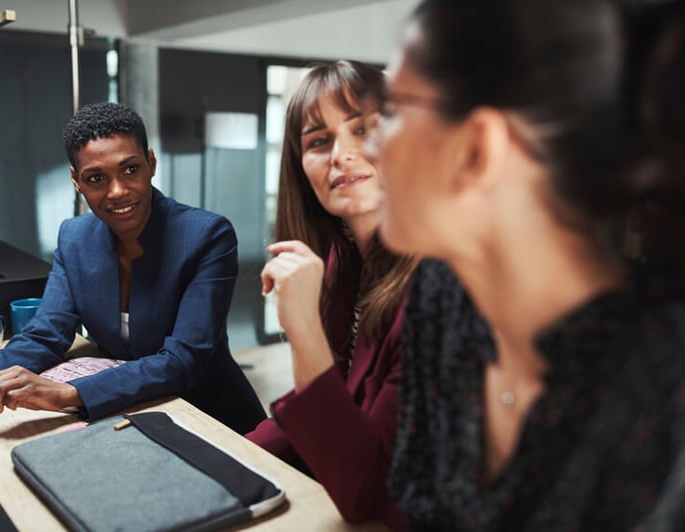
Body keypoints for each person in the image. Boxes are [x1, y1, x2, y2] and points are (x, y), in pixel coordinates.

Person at [371, 0, 685, 529]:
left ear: (477, 150)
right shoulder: (440, 295)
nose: (373, 145)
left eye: (394, 109)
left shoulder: (664, 387)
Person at [0, 102, 266, 439]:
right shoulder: (74, 238)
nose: (117, 191)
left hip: (210, 418)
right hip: (124, 418)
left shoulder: (207, 235)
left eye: (130, 170)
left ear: (150, 163)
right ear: (76, 180)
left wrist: (67, 393)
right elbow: (46, 334)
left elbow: (182, 361)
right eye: (96, 178)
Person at [244, 60, 418, 530]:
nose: (342, 154)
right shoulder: (343, 261)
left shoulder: (436, 287)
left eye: (364, 130)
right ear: (301, 169)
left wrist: (300, 326)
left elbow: (368, 492)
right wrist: (226, 457)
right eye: (320, 141)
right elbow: (331, 400)